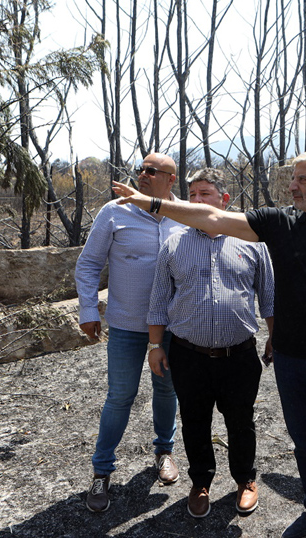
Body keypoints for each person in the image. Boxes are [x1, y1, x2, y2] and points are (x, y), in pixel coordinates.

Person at [112, 150, 306, 538]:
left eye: (301, 179)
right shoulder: (279, 223)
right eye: (293, 179)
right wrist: (152, 202)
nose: (291, 186)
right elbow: (213, 218)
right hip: (291, 362)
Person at [147, 169, 275, 518]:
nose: (197, 200)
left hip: (240, 355)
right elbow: (159, 299)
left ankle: (245, 480)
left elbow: (268, 297)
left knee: (241, 421)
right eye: (192, 194)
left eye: (205, 193)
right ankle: (201, 480)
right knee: (194, 421)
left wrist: (275, 336)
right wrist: (155, 345)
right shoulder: (173, 244)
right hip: (189, 355)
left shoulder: (252, 242)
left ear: (225, 200)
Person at [75, 153, 185, 513]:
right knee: (120, 396)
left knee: (167, 390)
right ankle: (102, 471)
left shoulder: (183, 214)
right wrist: (89, 309)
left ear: (170, 179)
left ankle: (164, 452)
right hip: (125, 324)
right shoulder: (114, 212)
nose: (141, 175)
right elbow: (89, 263)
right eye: (140, 169)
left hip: (171, 327)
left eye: (151, 171)